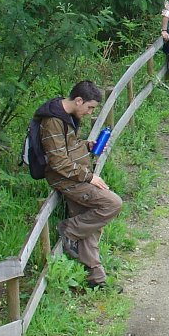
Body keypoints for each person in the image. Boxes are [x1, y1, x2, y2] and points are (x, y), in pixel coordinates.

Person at [35, 81, 122, 289]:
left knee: (90, 225)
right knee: (112, 204)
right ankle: (68, 229)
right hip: (67, 179)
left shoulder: (65, 115)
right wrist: (88, 177)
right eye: (89, 107)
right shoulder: (53, 121)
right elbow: (57, 161)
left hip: (75, 175)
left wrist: (87, 146)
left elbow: (69, 146)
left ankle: (95, 279)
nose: (90, 112)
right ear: (78, 100)